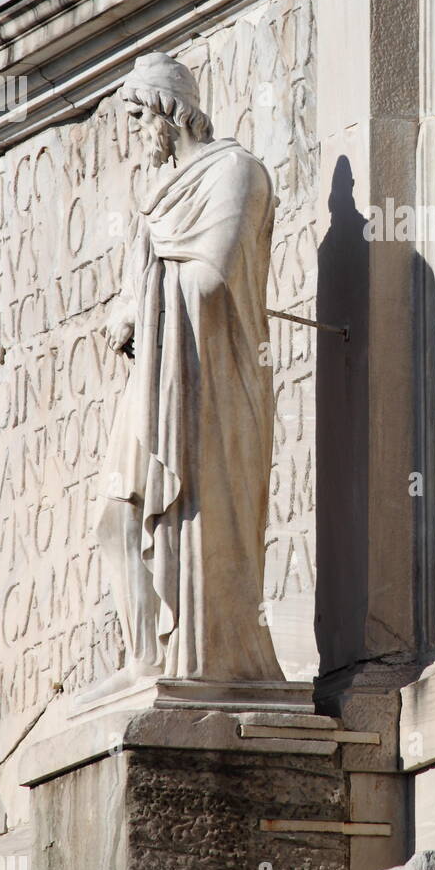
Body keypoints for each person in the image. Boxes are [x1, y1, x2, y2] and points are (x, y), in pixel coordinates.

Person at [96, 51, 283, 689]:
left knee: (190, 520)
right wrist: (126, 312)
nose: (135, 137)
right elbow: (145, 283)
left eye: (138, 118)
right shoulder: (153, 198)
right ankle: (144, 657)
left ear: (168, 111)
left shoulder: (236, 171)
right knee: (118, 511)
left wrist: (146, 288)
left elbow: (209, 280)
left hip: (212, 383)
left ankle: (201, 658)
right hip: (155, 372)